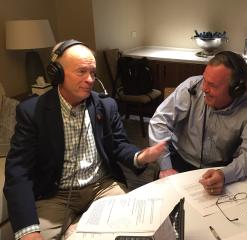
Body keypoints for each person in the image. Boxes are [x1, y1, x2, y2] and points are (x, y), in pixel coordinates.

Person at [3, 39, 166, 240]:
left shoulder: (106, 106)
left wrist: (140, 156)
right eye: (81, 71)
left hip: (103, 187)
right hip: (55, 195)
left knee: (134, 230)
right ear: (57, 74)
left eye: (93, 73)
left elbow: (118, 145)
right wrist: (29, 231)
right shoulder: (32, 112)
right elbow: (18, 172)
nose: (90, 79)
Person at [149, 51, 247, 195]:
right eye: (205, 80)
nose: (204, 88)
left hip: (219, 169)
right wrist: (166, 167)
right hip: (178, 160)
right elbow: (158, 122)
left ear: (236, 90)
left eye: (213, 85)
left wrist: (225, 174)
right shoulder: (192, 86)